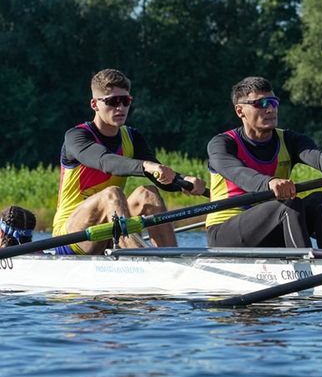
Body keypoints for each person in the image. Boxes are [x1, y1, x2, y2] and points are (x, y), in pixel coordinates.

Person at [52, 69, 206, 255]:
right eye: (112, 101)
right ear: (94, 104)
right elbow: (104, 161)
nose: (120, 108)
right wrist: (145, 166)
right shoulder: (76, 137)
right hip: (70, 237)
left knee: (148, 194)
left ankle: (174, 261)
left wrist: (185, 181)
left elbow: (160, 177)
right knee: (112, 194)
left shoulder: (132, 137)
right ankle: (139, 258)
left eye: (125, 101)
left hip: (110, 229)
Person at [206, 76, 322, 250]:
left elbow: (319, 157)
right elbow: (237, 172)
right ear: (240, 110)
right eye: (262, 104)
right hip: (225, 233)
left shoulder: (289, 140)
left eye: (274, 102)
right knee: (290, 204)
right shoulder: (222, 144)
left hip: (273, 223)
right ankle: (305, 268)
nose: (271, 109)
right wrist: (269, 182)